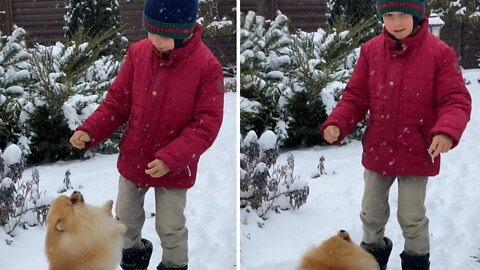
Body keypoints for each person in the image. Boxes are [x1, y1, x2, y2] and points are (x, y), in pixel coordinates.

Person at [69, 0, 225, 269]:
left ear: (184, 30)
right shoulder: (138, 53)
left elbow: (206, 124)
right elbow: (117, 102)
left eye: (163, 35)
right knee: (124, 222)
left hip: (175, 167)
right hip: (135, 156)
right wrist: (90, 129)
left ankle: (174, 265)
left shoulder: (207, 67)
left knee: (170, 227)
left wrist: (171, 158)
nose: (154, 40)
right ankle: (132, 263)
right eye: (149, 32)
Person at [321, 1, 471, 269]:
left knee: (411, 216)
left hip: (418, 151)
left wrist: (447, 131)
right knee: (372, 213)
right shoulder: (371, 51)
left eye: (403, 14)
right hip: (379, 149)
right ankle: (372, 262)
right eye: (388, 15)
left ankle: (415, 263)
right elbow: (356, 96)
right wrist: (338, 123)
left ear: (417, 13)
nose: (396, 22)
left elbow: (455, 99)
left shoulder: (439, 54)